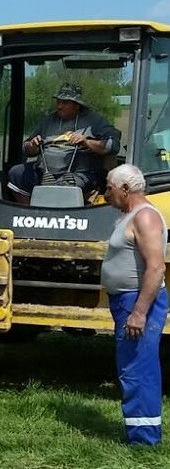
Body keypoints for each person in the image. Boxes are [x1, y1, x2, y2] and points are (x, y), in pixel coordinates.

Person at [100, 164, 167, 445]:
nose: (105, 194)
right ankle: (140, 434)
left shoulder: (146, 218)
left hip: (137, 301)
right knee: (132, 366)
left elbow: (156, 268)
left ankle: (144, 440)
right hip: (127, 300)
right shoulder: (130, 215)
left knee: (137, 368)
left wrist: (139, 312)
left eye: (109, 188)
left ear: (126, 189)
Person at [8, 83, 120, 204]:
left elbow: (113, 146)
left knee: (63, 185)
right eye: (58, 102)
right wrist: (32, 146)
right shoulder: (48, 121)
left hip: (80, 173)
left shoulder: (94, 121)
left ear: (77, 105)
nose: (59, 106)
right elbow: (25, 148)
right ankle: (31, 213)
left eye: (65, 103)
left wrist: (86, 142)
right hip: (45, 172)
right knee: (16, 174)